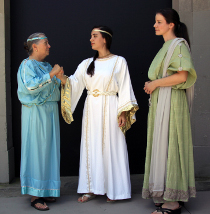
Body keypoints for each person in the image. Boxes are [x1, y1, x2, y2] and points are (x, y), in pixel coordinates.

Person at [56, 26, 138, 203]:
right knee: (91, 146)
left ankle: (114, 190)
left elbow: (124, 87)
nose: (91, 39)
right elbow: (74, 83)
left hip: (111, 106)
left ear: (105, 39)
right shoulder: (86, 63)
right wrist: (62, 78)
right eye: (91, 36)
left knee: (112, 146)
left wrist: (123, 112)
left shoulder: (119, 61)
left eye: (94, 36)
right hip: (91, 108)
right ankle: (91, 188)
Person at [142, 8, 197, 214]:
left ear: (171, 24)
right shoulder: (166, 46)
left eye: (159, 22)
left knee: (171, 144)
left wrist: (155, 83)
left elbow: (183, 76)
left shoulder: (178, 45)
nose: (155, 25)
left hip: (172, 102)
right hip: (161, 102)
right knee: (162, 144)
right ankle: (164, 192)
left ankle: (173, 201)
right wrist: (154, 85)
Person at [17, 33, 62, 211]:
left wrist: (60, 77)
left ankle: (45, 189)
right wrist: (52, 74)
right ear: (35, 47)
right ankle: (35, 195)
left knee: (49, 150)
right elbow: (30, 87)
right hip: (35, 113)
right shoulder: (26, 65)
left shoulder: (46, 65)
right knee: (36, 150)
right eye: (46, 43)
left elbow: (54, 86)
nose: (49, 46)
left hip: (50, 112)